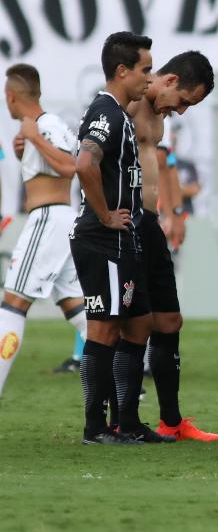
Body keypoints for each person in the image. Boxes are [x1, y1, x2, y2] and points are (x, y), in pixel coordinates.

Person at [119, 49, 218, 444]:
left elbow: (162, 160)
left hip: (150, 223)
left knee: (169, 321)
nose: (182, 111)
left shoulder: (158, 112)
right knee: (130, 325)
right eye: (185, 102)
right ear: (172, 81)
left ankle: (171, 422)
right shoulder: (126, 103)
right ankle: (121, 420)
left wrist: (174, 211)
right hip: (125, 223)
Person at [68, 35, 150, 443]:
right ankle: (94, 427)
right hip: (102, 240)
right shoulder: (107, 113)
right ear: (122, 71)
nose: (148, 80)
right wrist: (103, 214)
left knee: (134, 327)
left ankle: (127, 423)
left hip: (118, 240)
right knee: (103, 330)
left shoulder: (120, 113)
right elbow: (85, 163)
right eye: (145, 70)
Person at [0, 66, 85, 400]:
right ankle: (126, 386)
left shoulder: (42, 127)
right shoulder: (50, 125)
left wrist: (33, 139)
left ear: (11, 96)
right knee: (78, 308)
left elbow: (68, 166)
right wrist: (26, 150)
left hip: (48, 219)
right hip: (62, 219)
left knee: (12, 305)